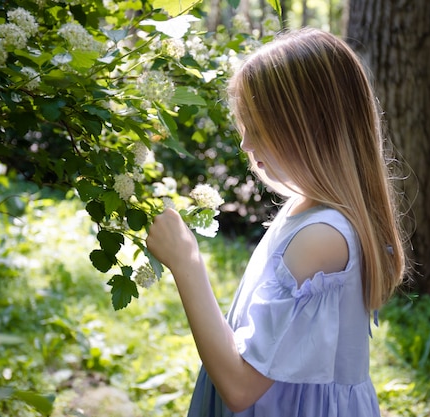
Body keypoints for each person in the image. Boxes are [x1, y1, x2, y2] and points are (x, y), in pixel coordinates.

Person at [146, 27, 406, 417]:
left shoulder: (322, 236)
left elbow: (239, 386)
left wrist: (186, 262)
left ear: (309, 127)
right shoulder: (304, 206)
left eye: (258, 126)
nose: (245, 144)